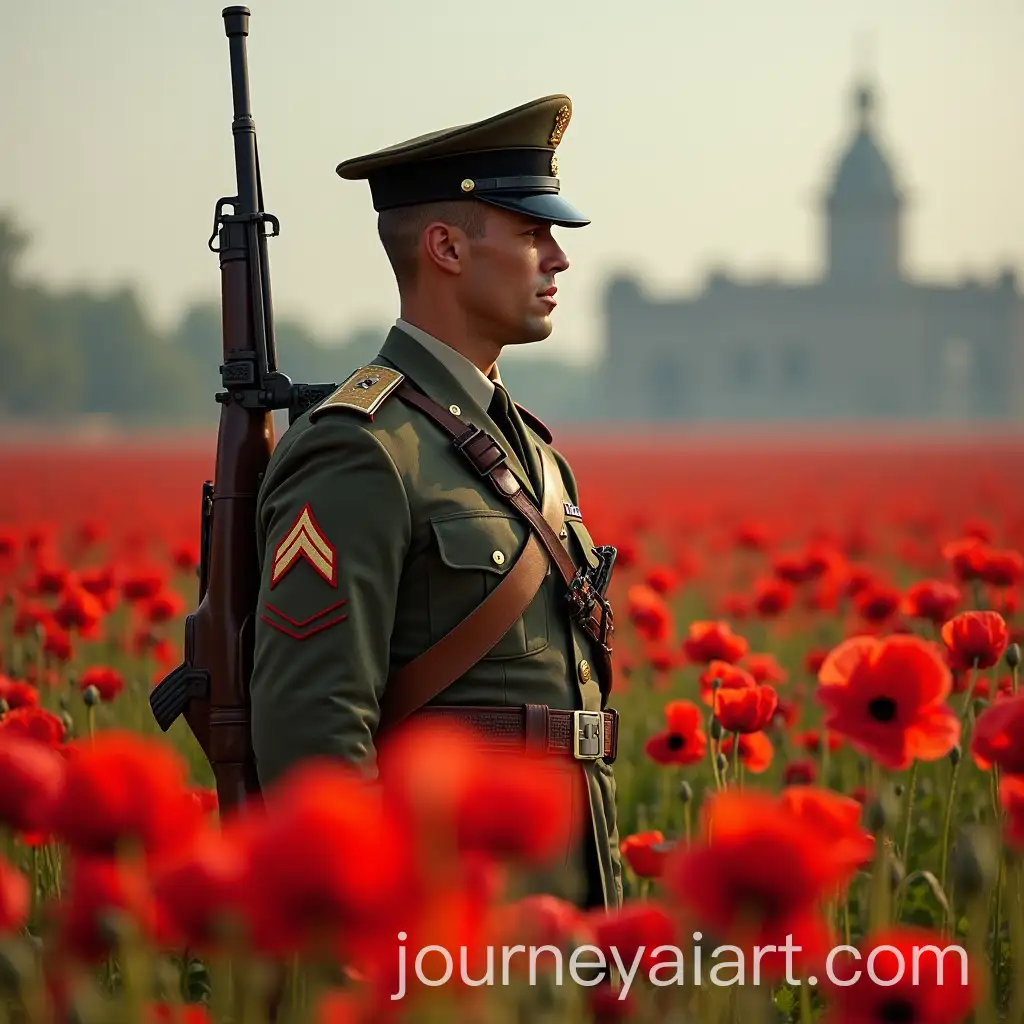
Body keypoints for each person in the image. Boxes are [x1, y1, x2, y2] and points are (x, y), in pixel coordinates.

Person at [248, 94, 622, 910]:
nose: (557, 259)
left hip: (566, 886)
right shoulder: (360, 448)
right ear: (446, 248)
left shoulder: (535, 451)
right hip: (448, 908)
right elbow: (315, 728)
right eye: (531, 234)